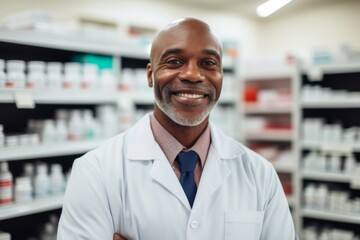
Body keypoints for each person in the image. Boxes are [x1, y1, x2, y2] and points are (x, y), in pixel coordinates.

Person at [57, 18, 296, 240]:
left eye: (208, 63)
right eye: (174, 62)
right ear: (150, 75)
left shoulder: (260, 175)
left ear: (222, 76)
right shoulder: (95, 172)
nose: (192, 75)